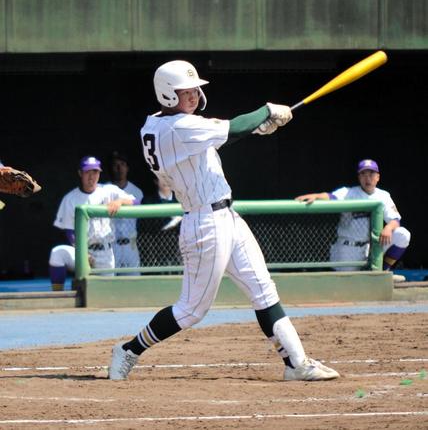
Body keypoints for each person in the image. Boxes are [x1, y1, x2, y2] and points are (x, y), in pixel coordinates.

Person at [108, 60, 339, 382]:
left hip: (227, 216)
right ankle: (129, 350)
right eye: (184, 91)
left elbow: (222, 135)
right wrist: (267, 111)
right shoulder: (177, 127)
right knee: (191, 311)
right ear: (167, 93)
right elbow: (231, 127)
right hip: (204, 223)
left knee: (263, 290)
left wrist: (258, 126)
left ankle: (296, 364)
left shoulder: (162, 123)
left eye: (194, 89)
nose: (193, 95)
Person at [295, 159, 411, 271]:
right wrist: (316, 196)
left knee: (403, 234)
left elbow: (395, 219)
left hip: (372, 247)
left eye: (371, 174)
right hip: (348, 248)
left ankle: (383, 270)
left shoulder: (383, 195)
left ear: (378, 177)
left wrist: (389, 227)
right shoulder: (348, 192)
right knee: (347, 283)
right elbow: (331, 197)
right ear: (359, 177)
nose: (367, 178)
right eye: (363, 174)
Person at [48, 156, 136, 291]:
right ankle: (57, 295)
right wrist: (82, 252)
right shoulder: (70, 198)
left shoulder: (109, 190)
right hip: (83, 251)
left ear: (99, 173)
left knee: (105, 293)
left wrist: (120, 202)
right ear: (80, 173)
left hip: (105, 252)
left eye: (95, 172)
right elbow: (69, 231)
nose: (91, 176)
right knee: (57, 253)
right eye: (87, 172)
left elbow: (135, 201)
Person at [108, 151, 144, 273]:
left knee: (134, 283)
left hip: (130, 245)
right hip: (111, 245)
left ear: (127, 168)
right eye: (115, 165)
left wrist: (121, 201)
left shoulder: (136, 191)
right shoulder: (104, 189)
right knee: (109, 283)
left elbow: (138, 204)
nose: (119, 168)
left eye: (122, 164)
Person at [137, 175, 182, 268]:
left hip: (178, 254)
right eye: (161, 177)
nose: (165, 181)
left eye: (168, 177)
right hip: (155, 255)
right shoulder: (147, 201)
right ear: (155, 181)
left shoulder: (182, 201)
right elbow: (144, 229)